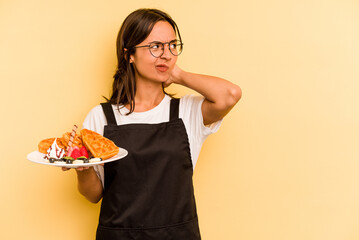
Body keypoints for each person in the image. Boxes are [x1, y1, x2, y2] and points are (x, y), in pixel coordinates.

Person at [64, 8, 241, 239]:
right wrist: (83, 169)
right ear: (129, 54)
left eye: (172, 45)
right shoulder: (102, 117)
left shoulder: (186, 112)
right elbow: (93, 195)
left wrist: (177, 75)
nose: (166, 54)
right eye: (155, 46)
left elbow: (230, 94)